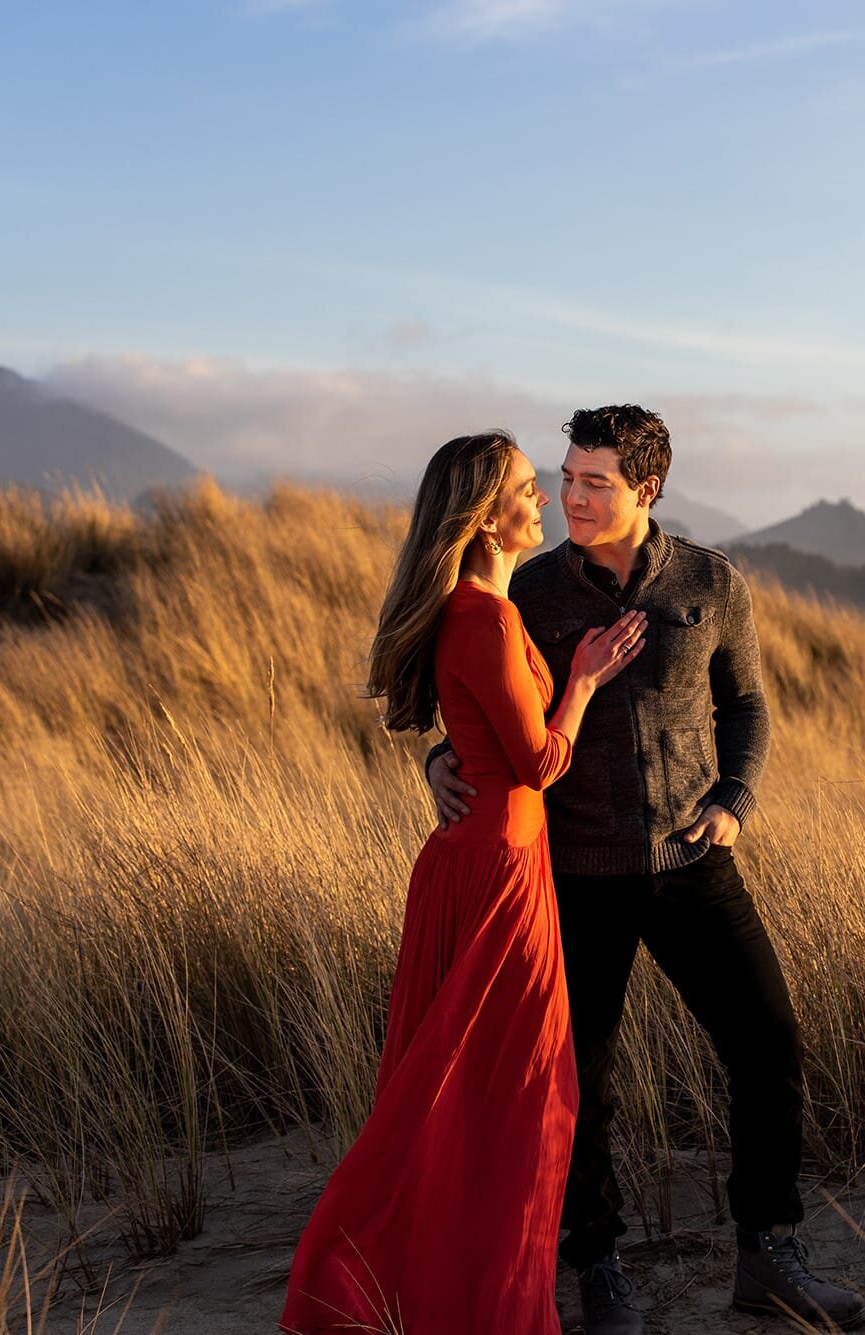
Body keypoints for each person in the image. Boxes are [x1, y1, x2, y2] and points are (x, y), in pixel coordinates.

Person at [427, 406, 865, 1333]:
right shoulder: (529, 590)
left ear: (646, 489)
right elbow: (477, 698)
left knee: (768, 1039)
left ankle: (769, 1255)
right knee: (580, 1075)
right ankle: (599, 1267)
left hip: (690, 861)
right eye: (566, 475)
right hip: (573, 871)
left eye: (594, 482)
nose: (570, 496)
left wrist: (735, 800)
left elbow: (747, 705)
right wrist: (438, 762)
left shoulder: (711, 582)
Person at [280, 430, 646, 1335]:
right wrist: (588, 681)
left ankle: (461, 1292)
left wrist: (450, 756)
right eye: (529, 488)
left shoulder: (486, 611)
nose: (545, 501)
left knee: (476, 1100)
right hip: (497, 877)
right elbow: (536, 757)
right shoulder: (482, 617)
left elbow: (483, 742)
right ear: (487, 517)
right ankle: (442, 1294)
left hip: (488, 864)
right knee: (514, 1099)